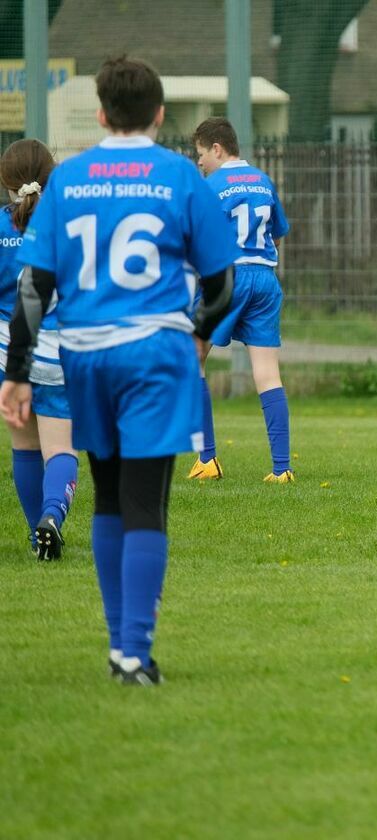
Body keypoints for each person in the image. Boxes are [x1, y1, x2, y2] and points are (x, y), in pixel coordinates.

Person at [0, 55, 238, 686]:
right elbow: (222, 284)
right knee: (145, 505)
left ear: (101, 114)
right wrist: (199, 336)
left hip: (86, 357)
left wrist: (17, 370)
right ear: (160, 115)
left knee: (108, 500)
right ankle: (133, 651)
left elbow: (33, 287)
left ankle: (118, 646)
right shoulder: (180, 177)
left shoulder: (69, 180)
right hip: (154, 355)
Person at [185, 116, 293, 483]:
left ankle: (208, 460)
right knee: (266, 372)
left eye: (201, 154)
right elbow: (276, 234)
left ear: (217, 148)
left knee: (192, 356)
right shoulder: (263, 181)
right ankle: (282, 469)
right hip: (264, 279)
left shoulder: (211, 187)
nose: (199, 162)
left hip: (225, 279)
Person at [1, 139, 78, 559]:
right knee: (60, 448)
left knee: (24, 447)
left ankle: (37, 538)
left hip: (8, 353)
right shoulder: (69, 225)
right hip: (56, 351)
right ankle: (52, 516)